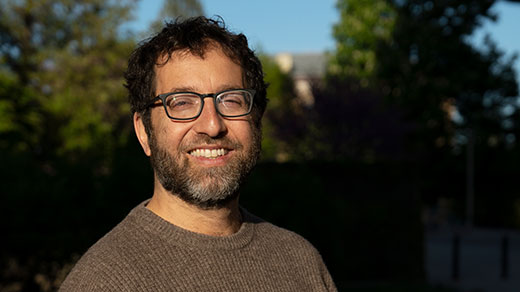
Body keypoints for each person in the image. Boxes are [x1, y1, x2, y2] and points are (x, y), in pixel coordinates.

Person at [59, 16, 337, 291]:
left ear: (256, 119)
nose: (212, 125)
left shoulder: (302, 262)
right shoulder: (102, 282)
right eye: (181, 103)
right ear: (144, 131)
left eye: (230, 100)